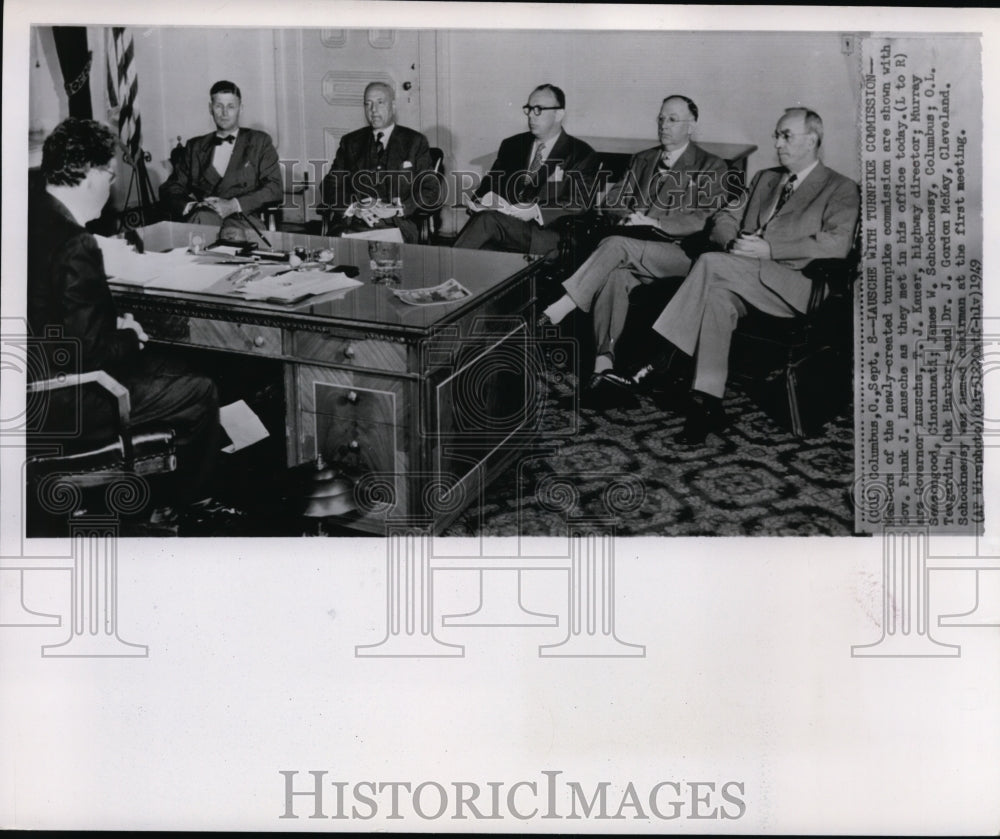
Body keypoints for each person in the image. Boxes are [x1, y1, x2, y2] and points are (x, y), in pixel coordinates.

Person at [29, 117, 227, 526]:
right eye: (110, 176)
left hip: (27, 388)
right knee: (200, 390)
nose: (111, 187)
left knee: (178, 370)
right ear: (90, 175)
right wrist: (129, 338)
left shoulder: (28, 215)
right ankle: (176, 506)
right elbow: (89, 353)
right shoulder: (74, 244)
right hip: (72, 398)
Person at [628, 107, 860, 444]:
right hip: (740, 272)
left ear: (812, 140)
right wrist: (734, 242)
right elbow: (725, 216)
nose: (777, 143)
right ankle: (706, 404)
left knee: (708, 263)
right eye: (777, 135)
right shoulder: (765, 178)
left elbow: (837, 245)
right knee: (717, 302)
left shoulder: (840, 187)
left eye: (786, 136)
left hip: (791, 285)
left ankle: (664, 357)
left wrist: (769, 249)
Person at [536, 95, 730, 407]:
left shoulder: (711, 166)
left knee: (614, 245)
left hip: (679, 255)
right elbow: (612, 200)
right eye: (661, 118)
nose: (663, 126)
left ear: (692, 126)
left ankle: (563, 305)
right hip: (634, 248)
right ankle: (604, 368)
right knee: (613, 275)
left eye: (673, 119)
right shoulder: (643, 159)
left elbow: (703, 218)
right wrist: (627, 217)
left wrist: (655, 221)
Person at [453, 83, 599, 256]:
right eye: (529, 109)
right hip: (505, 227)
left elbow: (579, 202)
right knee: (481, 249)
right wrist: (479, 202)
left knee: (486, 223)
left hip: (548, 235)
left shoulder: (581, 154)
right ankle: (450, 275)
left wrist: (536, 210)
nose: (531, 116)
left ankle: (443, 272)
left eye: (538, 109)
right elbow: (489, 185)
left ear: (559, 114)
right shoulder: (512, 145)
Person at [159, 80, 282, 241]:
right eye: (219, 106)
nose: (224, 113)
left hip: (243, 219)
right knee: (198, 231)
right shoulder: (195, 146)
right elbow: (171, 187)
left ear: (241, 109)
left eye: (231, 106)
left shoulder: (259, 142)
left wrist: (233, 205)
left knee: (233, 243)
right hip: (204, 218)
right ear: (210, 108)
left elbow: (274, 188)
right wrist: (192, 206)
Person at [320, 81, 441, 243]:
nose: (373, 110)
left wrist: (397, 209)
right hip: (352, 224)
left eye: (380, 102)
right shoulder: (350, 142)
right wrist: (354, 208)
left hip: (395, 225)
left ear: (393, 106)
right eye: (367, 104)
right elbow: (330, 184)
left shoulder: (414, 142)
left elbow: (430, 190)